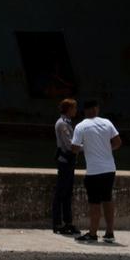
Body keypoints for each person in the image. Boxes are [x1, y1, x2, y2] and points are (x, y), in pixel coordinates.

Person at [72, 100, 122, 244]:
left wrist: (85, 147)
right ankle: (110, 233)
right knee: (107, 199)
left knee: (94, 202)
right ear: (96, 109)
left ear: (85, 111)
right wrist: (106, 149)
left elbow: (74, 148)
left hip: (94, 171)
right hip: (109, 169)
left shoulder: (81, 126)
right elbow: (118, 142)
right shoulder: (107, 123)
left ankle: (93, 234)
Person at [52, 98, 79, 235]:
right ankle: (57, 223)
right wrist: (84, 148)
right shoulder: (62, 124)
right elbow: (69, 145)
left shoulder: (66, 123)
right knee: (61, 193)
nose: (76, 110)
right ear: (68, 109)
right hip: (65, 162)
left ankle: (68, 222)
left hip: (69, 161)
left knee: (67, 193)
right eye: (74, 108)